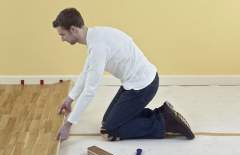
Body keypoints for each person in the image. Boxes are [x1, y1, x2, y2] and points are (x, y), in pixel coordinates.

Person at [53, 8, 195, 142]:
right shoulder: (96, 36)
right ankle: (163, 113)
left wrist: (68, 124)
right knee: (106, 122)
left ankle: (165, 123)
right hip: (136, 83)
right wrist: (69, 99)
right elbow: (86, 72)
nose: (62, 39)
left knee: (110, 130)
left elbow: (90, 90)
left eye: (62, 34)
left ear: (73, 29)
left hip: (143, 86)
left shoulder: (98, 47)